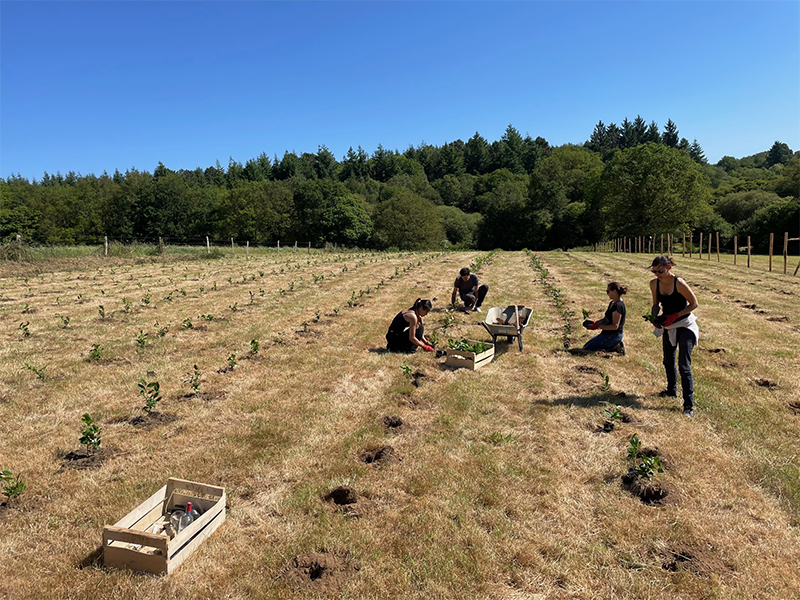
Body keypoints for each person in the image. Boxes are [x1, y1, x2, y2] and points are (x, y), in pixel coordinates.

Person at [649, 255, 699, 418]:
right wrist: (654, 317)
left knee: (684, 365)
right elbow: (656, 305)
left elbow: (694, 304)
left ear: (669, 267)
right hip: (669, 325)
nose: (657, 274)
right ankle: (671, 391)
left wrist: (676, 315)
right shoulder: (654, 284)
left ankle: (688, 406)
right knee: (668, 360)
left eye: (660, 271)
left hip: (685, 324)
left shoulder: (679, 283)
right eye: (654, 271)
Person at [580, 282, 627, 354]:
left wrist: (599, 327)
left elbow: (615, 326)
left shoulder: (618, 306)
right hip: (606, 334)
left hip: (613, 335)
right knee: (587, 347)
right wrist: (595, 323)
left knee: (590, 350)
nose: (607, 293)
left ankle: (615, 347)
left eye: (608, 291)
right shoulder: (612, 303)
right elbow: (606, 319)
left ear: (614, 291)